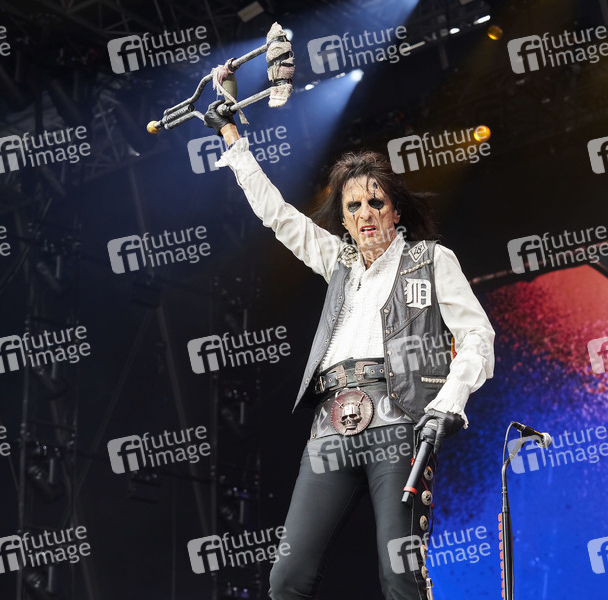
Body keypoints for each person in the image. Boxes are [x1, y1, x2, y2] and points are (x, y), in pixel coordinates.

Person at [205, 99, 495, 600]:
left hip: (400, 422)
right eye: (353, 206)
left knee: (399, 576)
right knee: (286, 579)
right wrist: (232, 137)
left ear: (395, 210)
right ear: (342, 217)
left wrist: (448, 402)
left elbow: (478, 337)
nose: (365, 214)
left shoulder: (431, 259)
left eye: (375, 202)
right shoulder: (337, 262)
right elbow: (278, 216)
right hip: (330, 427)